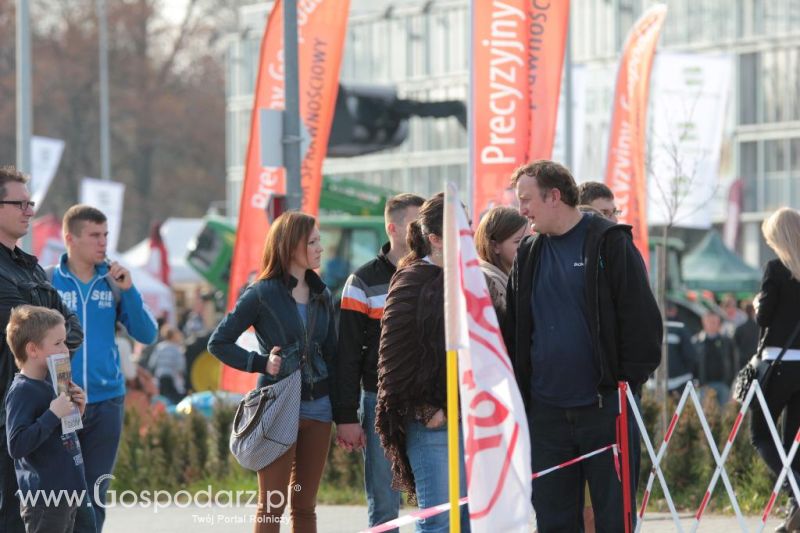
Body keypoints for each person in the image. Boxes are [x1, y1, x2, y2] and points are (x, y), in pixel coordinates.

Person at [503, 160, 662, 532]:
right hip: (546, 414)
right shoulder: (528, 253)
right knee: (554, 521)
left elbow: (643, 325)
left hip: (604, 409)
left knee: (612, 520)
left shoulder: (610, 242)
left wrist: (624, 387)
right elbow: (515, 332)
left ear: (554, 196)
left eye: (526, 199)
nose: (521, 210)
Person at [208, 211, 337, 533]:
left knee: (305, 507)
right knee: (271, 507)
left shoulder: (324, 295)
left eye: (319, 240)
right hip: (279, 407)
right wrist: (260, 363)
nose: (321, 248)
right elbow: (218, 342)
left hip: (320, 409)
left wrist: (346, 412)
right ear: (290, 246)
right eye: (313, 242)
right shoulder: (261, 293)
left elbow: (334, 355)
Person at [49, 204, 158, 531]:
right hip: (61, 402)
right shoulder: (49, 281)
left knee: (96, 493)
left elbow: (148, 334)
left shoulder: (113, 283)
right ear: (70, 238)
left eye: (105, 235)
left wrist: (130, 290)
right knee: (61, 493)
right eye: (95, 235)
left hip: (108, 401)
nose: (103, 243)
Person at [375, 193, 471, 533]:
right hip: (432, 421)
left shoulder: (471, 279)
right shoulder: (411, 280)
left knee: (468, 521)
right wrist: (426, 407)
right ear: (435, 239)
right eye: (460, 229)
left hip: (470, 418)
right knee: (440, 522)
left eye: (469, 226)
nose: (469, 235)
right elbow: (393, 357)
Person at [0, 166, 84, 533]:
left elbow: (71, 329)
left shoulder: (31, 269)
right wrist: (49, 338)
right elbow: (24, 332)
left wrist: (54, 342)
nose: (29, 210)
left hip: (47, 411)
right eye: (19, 203)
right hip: (12, 411)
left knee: (67, 515)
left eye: (30, 202)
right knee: (15, 517)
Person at [334, 193, 424, 531]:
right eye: (417, 223)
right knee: (385, 505)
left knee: (432, 499)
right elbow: (346, 356)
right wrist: (346, 417)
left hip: (428, 402)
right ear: (393, 228)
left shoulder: (433, 273)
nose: (425, 230)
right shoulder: (361, 282)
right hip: (377, 402)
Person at [4, 306, 88, 533]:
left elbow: (55, 435)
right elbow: (17, 444)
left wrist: (75, 413)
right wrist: (52, 415)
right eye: (58, 343)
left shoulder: (50, 383)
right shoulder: (22, 391)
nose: (66, 349)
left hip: (64, 492)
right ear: (33, 349)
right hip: (44, 499)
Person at [750, 208, 800, 533]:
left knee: (762, 436)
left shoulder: (776, 269)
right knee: (794, 440)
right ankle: (796, 508)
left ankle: (796, 492)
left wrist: (757, 304)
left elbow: (764, 317)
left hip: (778, 365)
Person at [474, 206, 528, 325]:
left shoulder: (512, 276)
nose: (527, 246)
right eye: (518, 241)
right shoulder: (490, 282)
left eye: (529, 240)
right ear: (495, 246)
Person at [692, 311, 737, 404]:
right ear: (704, 322)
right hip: (704, 385)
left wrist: (730, 383)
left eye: (715, 322)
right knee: (704, 414)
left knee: (724, 415)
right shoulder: (696, 341)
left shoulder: (727, 341)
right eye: (709, 322)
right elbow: (693, 364)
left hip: (723, 384)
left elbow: (734, 363)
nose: (712, 324)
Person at [147, 325, 187, 404]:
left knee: (162, 396)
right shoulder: (177, 348)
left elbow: (152, 363)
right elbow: (180, 365)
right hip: (172, 376)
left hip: (160, 376)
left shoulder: (159, 347)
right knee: (174, 397)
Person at [666, 302, 697, 393]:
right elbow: (690, 355)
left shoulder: (653, 328)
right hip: (680, 382)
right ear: (674, 311)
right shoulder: (681, 329)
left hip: (654, 384)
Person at [734, 301, 759, 367]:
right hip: (756, 359)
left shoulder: (739, 328)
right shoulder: (759, 328)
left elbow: (736, 344)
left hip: (743, 361)